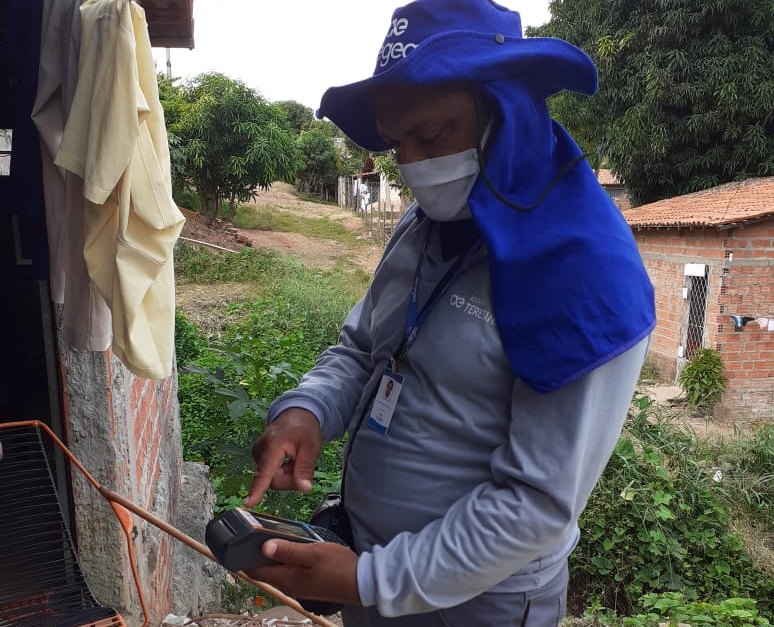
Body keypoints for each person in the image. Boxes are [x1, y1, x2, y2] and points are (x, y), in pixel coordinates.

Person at [245, 1, 656, 625]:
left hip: (479, 602)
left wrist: (373, 579)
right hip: (370, 571)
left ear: (504, 111)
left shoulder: (584, 275)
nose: (410, 163)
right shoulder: (429, 222)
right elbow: (364, 347)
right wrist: (308, 410)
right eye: (394, 143)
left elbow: (536, 503)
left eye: (430, 136)